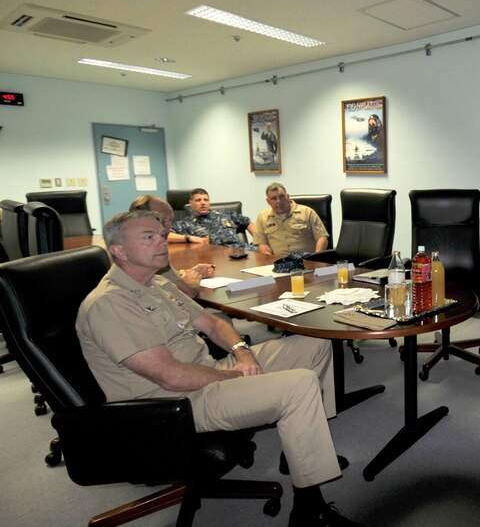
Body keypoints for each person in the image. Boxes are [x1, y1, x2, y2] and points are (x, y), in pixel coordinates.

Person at [75, 210, 360, 526]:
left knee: (314, 345)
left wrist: (242, 353)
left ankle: (298, 448)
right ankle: (309, 510)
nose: (162, 241)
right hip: (173, 406)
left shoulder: (155, 282)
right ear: (119, 251)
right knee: (300, 384)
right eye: (148, 237)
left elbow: (212, 322)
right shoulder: (109, 303)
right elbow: (169, 376)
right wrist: (233, 375)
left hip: (208, 371)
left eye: (160, 234)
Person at [129, 194, 214, 298]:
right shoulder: (149, 251)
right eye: (162, 219)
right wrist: (193, 281)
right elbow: (188, 291)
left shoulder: (134, 244)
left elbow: (162, 277)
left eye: (170, 220)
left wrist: (190, 273)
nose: (168, 226)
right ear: (140, 218)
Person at [254, 183, 330, 256]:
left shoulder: (307, 212)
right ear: (268, 201)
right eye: (274, 198)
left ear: (287, 196)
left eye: (282, 197)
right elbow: (262, 244)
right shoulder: (262, 217)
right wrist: (269, 262)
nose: (279, 201)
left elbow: (322, 238)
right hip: (279, 264)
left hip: (306, 262)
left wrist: (316, 259)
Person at [171, 188, 258, 251]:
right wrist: (189, 238)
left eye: (206, 200)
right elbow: (166, 236)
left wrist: (258, 240)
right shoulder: (185, 223)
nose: (203, 203)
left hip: (242, 250)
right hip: (213, 256)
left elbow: (248, 222)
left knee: (266, 251)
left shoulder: (225, 213)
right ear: (190, 203)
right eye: (198, 200)